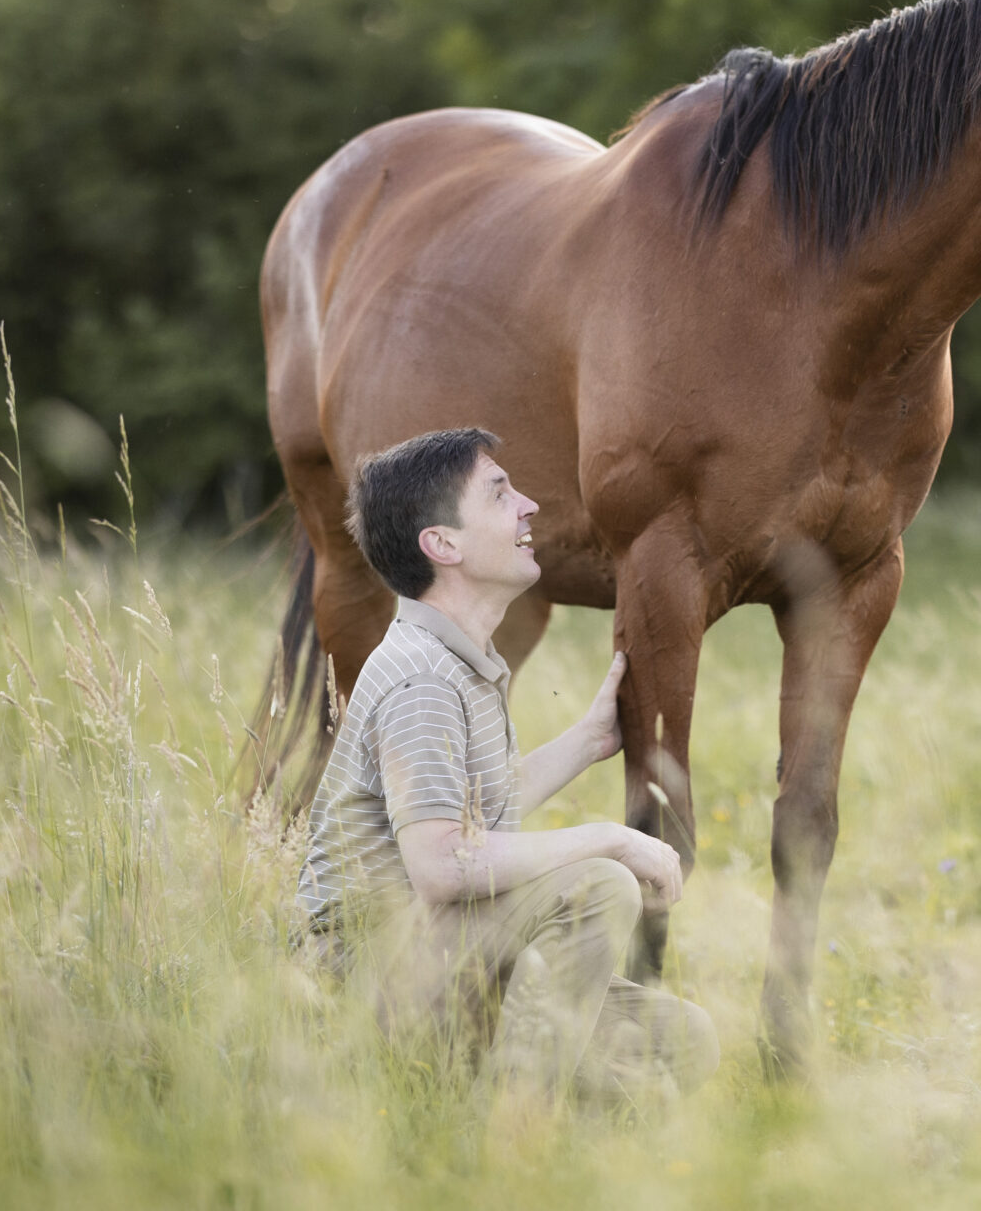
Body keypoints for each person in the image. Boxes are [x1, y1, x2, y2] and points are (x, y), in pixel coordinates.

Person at [296, 428, 717, 1103]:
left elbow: (470, 809)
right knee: (599, 885)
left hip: (441, 955)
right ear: (444, 544)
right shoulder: (422, 680)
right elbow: (442, 864)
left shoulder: (459, 663)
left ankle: (489, 1094)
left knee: (679, 1039)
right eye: (500, 494)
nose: (529, 507)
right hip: (369, 975)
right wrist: (613, 838)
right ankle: (512, 1127)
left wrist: (586, 742)